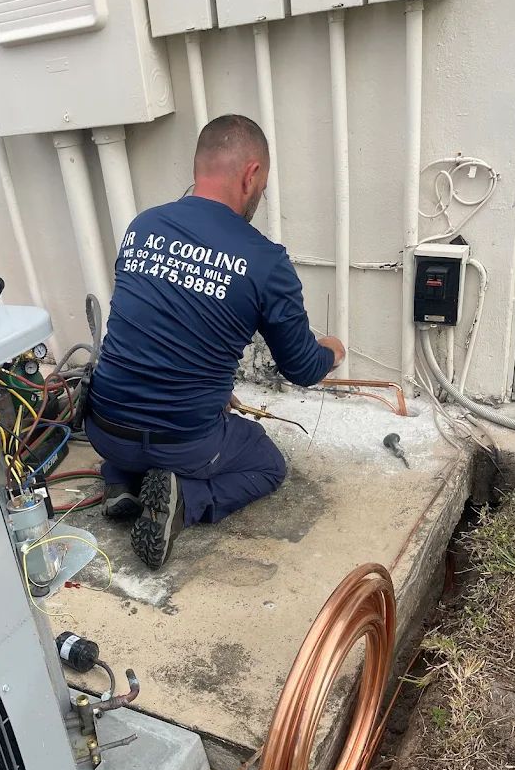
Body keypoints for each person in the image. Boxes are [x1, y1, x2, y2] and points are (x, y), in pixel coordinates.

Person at [86, 114, 345, 570]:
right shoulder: (264, 261)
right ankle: (185, 499)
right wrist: (333, 349)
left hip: (104, 428)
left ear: (199, 167)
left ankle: (121, 480)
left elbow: (156, 328)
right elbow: (302, 368)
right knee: (267, 463)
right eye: (262, 184)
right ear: (251, 175)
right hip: (184, 442)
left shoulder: (143, 226)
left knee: (143, 423)